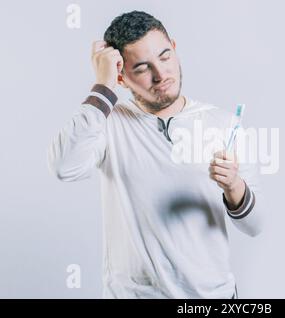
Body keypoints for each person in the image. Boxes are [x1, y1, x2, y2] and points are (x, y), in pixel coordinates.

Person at [48, 10, 264, 299]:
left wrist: (234, 186)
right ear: (121, 77)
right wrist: (102, 85)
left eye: (164, 57)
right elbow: (64, 166)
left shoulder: (223, 123)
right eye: (142, 68)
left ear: (174, 48)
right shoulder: (107, 122)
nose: (161, 75)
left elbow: (256, 225)